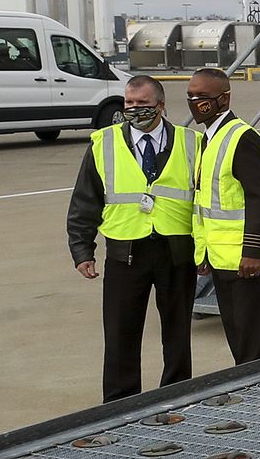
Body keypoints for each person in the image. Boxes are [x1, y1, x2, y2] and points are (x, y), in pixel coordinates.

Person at [66, 75, 200, 402]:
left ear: (161, 106)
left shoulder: (190, 142)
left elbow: (204, 199)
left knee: (177, 333)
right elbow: (85, 201)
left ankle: (177, 396)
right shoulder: (104, 143)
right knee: (120, 334)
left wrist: (205, 250)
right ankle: (120, 402)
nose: (135, 110)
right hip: (125, 253)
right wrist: (82, 249)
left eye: (142, 104)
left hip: (176, 252)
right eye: (129, 104)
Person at [187, 68, 260, 363]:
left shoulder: (242, 139)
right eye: (190, 96)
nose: (194, 102)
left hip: (247, 264)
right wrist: (201, 252)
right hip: (222, 260)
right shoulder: (209, 139)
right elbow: (204, 204)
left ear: (224, 99)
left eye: (203, 96)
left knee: (254, 350)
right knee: (239, 344)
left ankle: (258, 400)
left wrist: (253, 251)